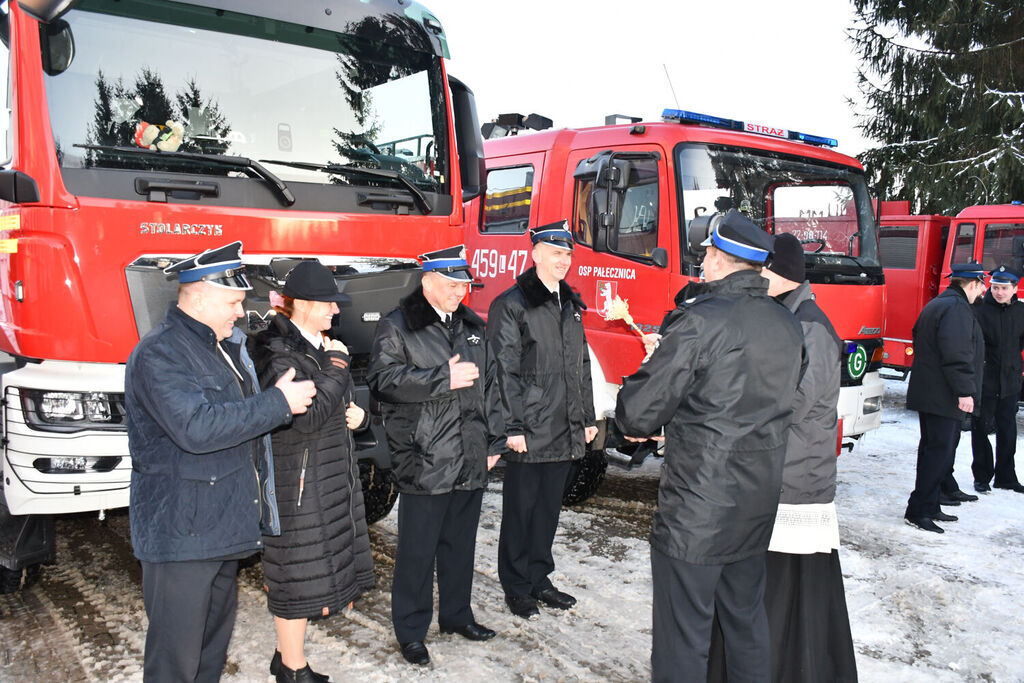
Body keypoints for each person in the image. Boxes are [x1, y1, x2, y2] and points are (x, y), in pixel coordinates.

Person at [614, 210, 805, 682]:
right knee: (745, 625)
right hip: (755, 504)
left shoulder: (701, 322)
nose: (702, 263)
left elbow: (638, 411)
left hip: (699, 509)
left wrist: (656, 418)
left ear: (720, 261)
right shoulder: (786, 324)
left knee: (684, 639)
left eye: (706, 255)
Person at [125, 241, 316, 682]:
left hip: (219, 529)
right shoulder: (161, 353)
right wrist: (278, 403)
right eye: (232, 301)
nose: (239, 310)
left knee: (209, 656)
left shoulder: (221, 347)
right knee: (174, 663)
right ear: (198, 296)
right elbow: (196, 428)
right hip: (182, 535)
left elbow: (238, 429)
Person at [707, 233, 857, 682]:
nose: (755, 281)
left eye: (761, 273)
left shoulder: (808, 326)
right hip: (776, 475)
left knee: (786, 595)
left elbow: (790, 404)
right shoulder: (787, 317)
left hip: (793, 483)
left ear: (780, 277)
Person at [368, 245, 505, 666]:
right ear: (427, 280)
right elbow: (383, 380)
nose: (458, 293)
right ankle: (411, 630)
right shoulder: (398, 326)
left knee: (459, 544)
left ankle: (456, 615)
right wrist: (442, 378)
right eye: (450, 284)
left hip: (470, 453)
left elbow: (493, 386)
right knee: (417, 550)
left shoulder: (472, 325)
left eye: (463, 285)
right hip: (425, 455)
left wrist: (495, 443)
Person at [248, 261, 375, 683]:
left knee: (314, 570)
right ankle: (292, 668)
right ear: (301, 304)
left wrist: (357, 415)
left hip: (326, 476)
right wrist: (339, 368)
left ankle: (287, 657)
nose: (336, 312)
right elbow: (306, 415)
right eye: (329, 304)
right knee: (294, 576)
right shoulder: (273, 351)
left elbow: (333, 404)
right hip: (295, 482)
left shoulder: (318, 344)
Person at [486, 220, 598, 619]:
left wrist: (587, 416)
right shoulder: (512, 304)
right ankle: (516, 585)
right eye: (556, 253)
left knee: (548, 510)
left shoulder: (570, 304)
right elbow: (503, 372)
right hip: (529, 429)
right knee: (521, 512)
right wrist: (511, 428)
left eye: (568, 254)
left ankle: (538, 577)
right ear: (535, 254)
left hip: (563, 425)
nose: (563, 261)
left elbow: (580, 365)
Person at [904, 262, 986, 533]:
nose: (983, 290)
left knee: (933, 451)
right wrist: (965, 390)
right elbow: (957, 353)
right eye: (982, 285)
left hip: (932, 391)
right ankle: (919, 510)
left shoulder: (941, 303)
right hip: (944, 394)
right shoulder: (957, 309)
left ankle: (929, 505)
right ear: (972, 283)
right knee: (938, 452)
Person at [971, 265, 1024, 494]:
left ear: (1015, 289)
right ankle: (982, 476)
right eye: (995, 287)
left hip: (1010, 381)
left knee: (1008, 430)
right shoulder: (979, 310)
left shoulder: (1021, 311)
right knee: (980, 429)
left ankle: (1006, 476)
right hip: (986, 381)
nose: (999, 292)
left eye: (1004, 288)